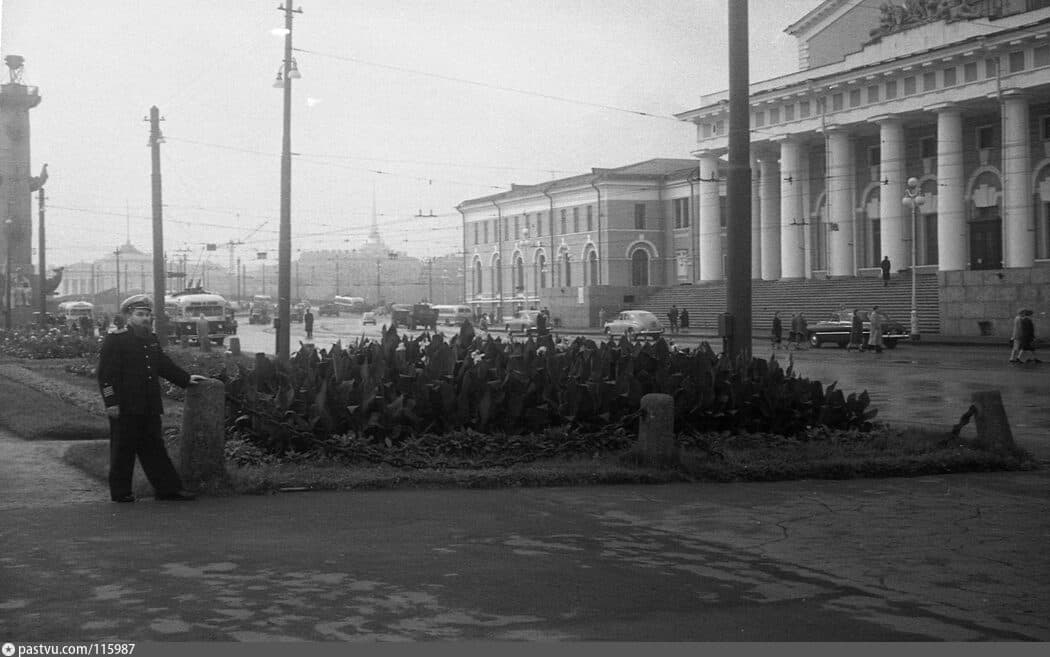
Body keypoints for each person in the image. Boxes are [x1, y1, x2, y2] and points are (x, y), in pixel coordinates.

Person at [98, 294, 206, 503]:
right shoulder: (116, 340)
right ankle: (121, 493)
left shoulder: (151, 340)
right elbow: (105, 376)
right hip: (125, 406)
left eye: (148, 315)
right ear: (129, 316)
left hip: (149, 406)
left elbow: (163, 365)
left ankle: (168, 489)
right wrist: (111, 403)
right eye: (140, 314)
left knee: (155, 448)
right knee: (123, 450)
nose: (145, 319)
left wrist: (185, 379)